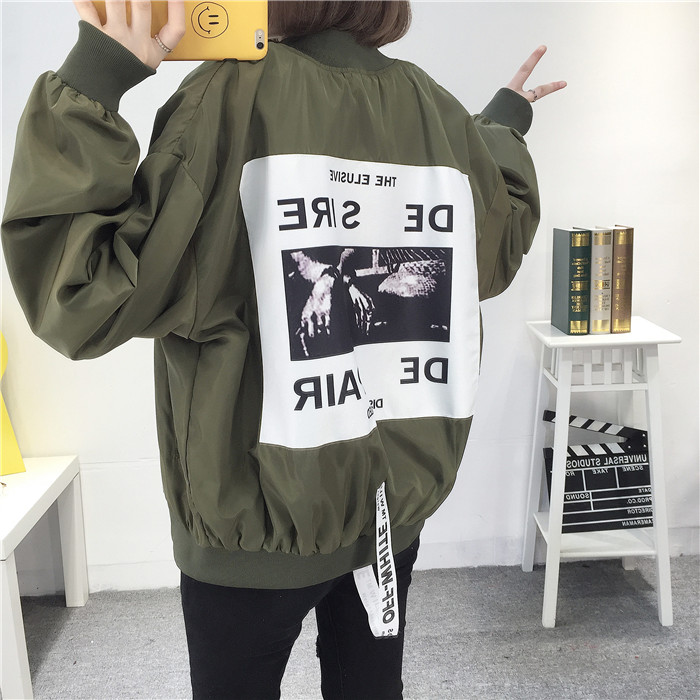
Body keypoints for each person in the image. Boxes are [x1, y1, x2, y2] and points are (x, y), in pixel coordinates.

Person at [1, 1, 566, 697]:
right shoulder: (436, 111)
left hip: (253, 519)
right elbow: (493, 245)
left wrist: (95, 79)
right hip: (388, 509)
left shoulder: (228, 97)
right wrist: (502, 127)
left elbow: (84, 296)